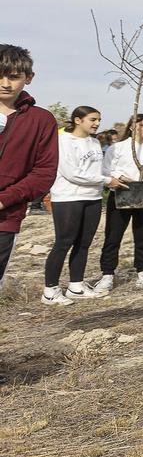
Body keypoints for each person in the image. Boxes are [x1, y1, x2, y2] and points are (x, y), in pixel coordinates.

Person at [43, 106, 124, 304]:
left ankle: (76, 286)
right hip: (68, 197)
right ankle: (50, 290)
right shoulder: (63, 141)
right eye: (92, 119)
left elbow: (100, 169)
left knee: (84, 243)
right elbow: (73, 173)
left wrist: (115, 177)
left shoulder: (95, 142)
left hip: (93, 197)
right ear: (78, 120)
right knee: (64, 242)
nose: (97, 123)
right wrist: (106, 181)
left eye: (99, 119)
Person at [0, 45, 58, 287]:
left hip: (5, 217)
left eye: (13, 76)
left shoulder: (41, 120)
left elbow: (44, 172)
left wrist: (5, 199)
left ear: (28, 78)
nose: (5, 83)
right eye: (0, 75)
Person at [97, 114, 143, 292]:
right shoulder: (118, 148)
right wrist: (118, 177)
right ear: (131, 127)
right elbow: (105, 169)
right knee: (113, 236)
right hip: (121, 193)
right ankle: (107, 275)